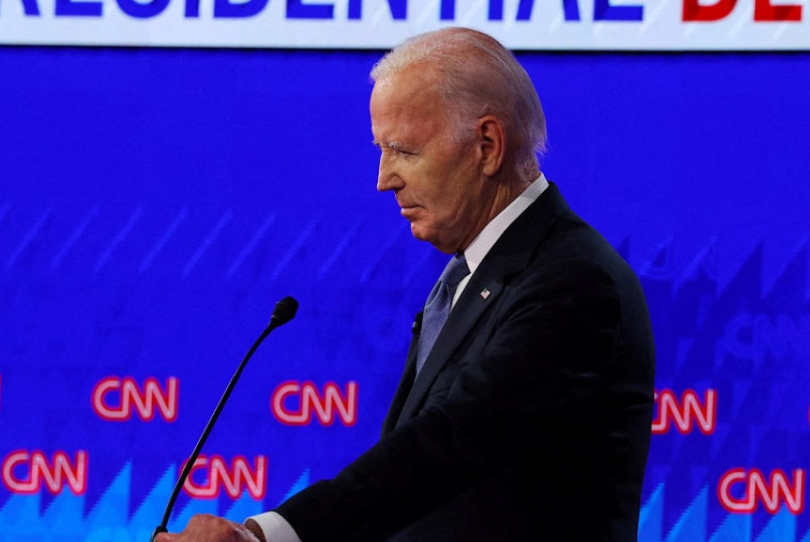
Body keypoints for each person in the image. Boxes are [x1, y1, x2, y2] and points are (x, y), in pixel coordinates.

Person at [157, 27, 655, 542]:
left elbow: (455, 441)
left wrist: (268, 536)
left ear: (487, 145)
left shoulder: (572, 281)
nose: (383, 177)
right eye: (381, 149)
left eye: (403, 150)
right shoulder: (472, 273)